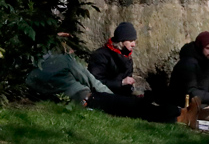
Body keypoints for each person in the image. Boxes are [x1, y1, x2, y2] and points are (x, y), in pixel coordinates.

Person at [26, 49, 181, 123]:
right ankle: (177, 115)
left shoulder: (30, 77)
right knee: (134, 107)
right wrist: (112, 97)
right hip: (89, 97)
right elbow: (90, 80)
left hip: (76, 102)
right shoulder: (63, 60)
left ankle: (176, 115)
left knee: (134, 109)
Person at [88, 22, 137, 96]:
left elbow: (127, 83)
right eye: (130, 41)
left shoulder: (127, 57)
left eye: (134, 40)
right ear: (121, 41)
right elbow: (94, 81)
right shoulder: (100, 55)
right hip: (102, 95)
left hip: (120, 96)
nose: (134, 44)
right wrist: (121, 82)